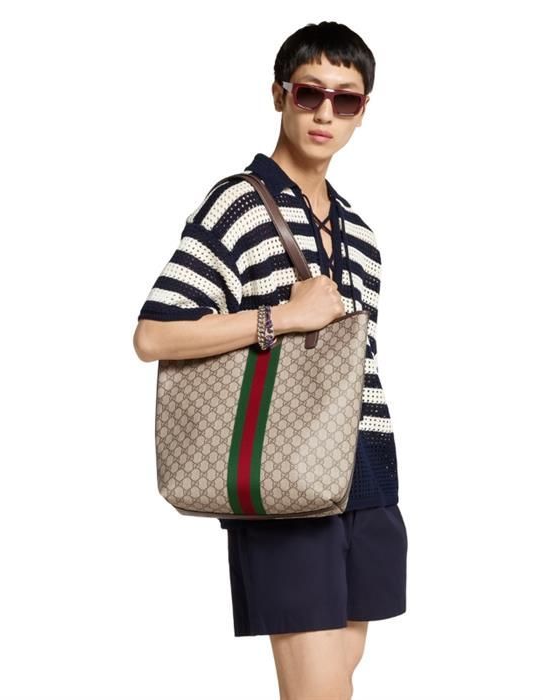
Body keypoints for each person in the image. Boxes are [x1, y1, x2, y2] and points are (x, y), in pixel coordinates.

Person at [133, 21, 407, 700]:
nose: (325, 112)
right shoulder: (238, 204)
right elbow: (154, 335)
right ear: (279, 94)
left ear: (363, 111)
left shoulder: (362, 232)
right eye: (310, 92)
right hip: (286, 472)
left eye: (345, 99)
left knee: (339, 679)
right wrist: (281, 317)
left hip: (369, 467)